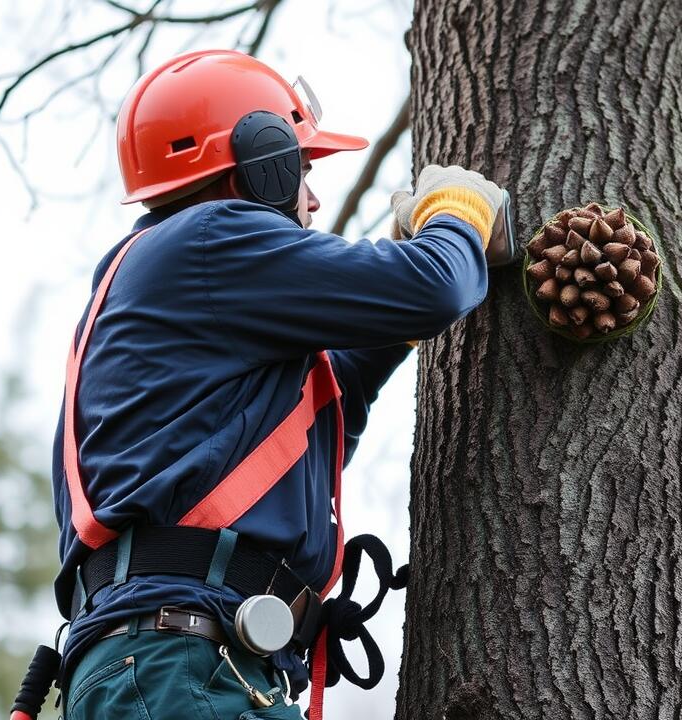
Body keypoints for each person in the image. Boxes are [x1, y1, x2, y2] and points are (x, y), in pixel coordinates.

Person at [49, 49, 501, 720]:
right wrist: (457, 217)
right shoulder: (211, 238)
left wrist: (383, 312)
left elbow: (319, 406)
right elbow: (436, 288)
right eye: (305, 169)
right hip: (184, 665)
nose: (313, 198)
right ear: (264, 163)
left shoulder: (187, 278)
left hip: (180, 662)